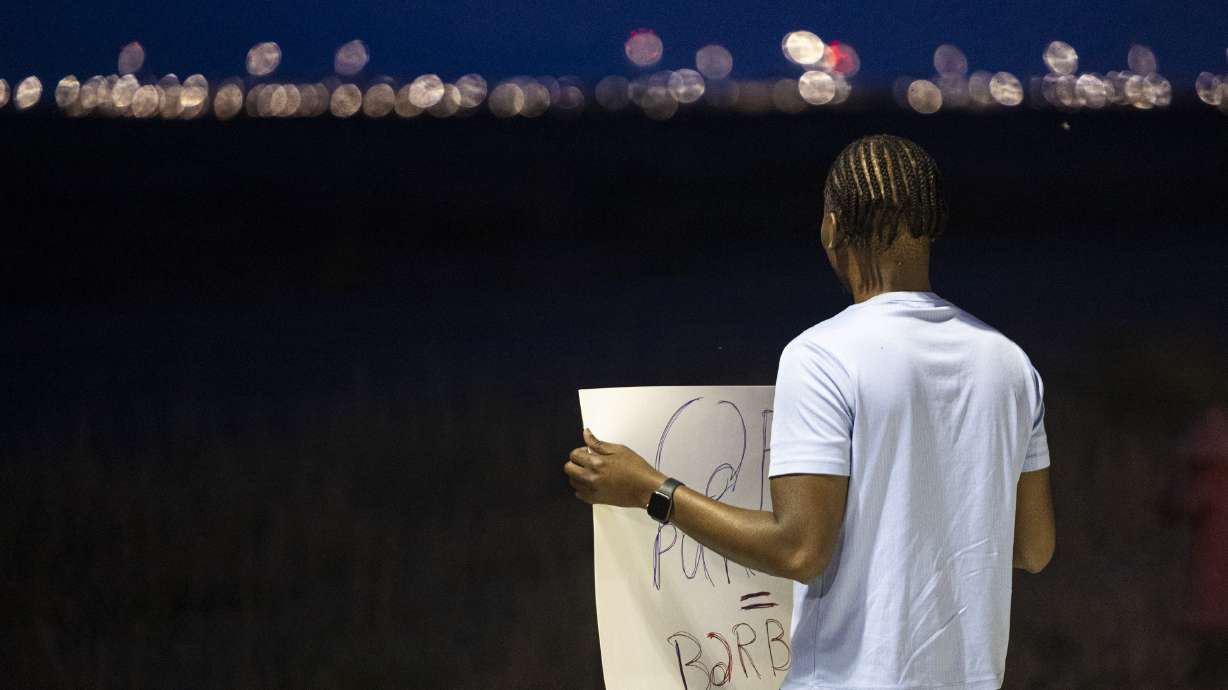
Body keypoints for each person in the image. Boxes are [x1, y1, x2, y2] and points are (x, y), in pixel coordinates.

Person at [564, 133, 1056, 690]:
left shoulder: (822, 356)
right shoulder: (1011, 364)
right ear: (931, 222)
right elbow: (1033, 549)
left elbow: (799, 548)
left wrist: (650, 489)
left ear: (831, 226)